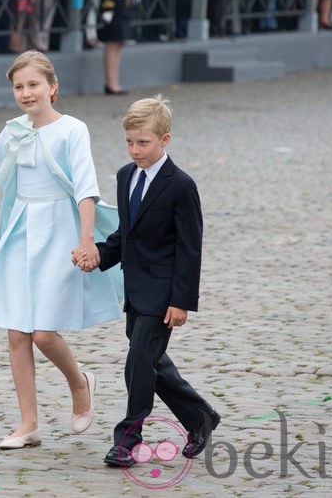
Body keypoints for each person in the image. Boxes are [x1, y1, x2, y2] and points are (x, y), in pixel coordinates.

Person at [0, 51, 122, 449]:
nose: (26, 92)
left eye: (33, 84)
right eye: (19, 86)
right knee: (17, 330)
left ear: (53, 88)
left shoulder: (73, 129)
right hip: (21, 230)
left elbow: (86, 187)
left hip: (60, 231)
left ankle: (80, 381)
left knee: (42, 332)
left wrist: (87, 240)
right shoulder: (13, 130)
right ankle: (28, 423)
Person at [73, 96, 220, 468]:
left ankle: (127, 440)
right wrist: (99, 257)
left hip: (164, 293)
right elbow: (127, 235)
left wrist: (182, 300)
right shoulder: (125, 176)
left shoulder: (181, 185)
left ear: (165, 140)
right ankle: (200, 416)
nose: (135, 150)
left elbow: (190, 248)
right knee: (151, 361)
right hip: (136, 289)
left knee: (138, 361)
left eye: (144, 143)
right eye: (130, 142)